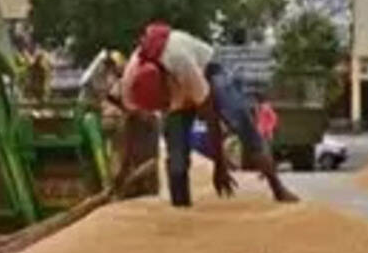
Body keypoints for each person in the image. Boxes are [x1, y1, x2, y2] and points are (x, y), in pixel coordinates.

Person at [116, 22, 298, 206]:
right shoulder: (129, 85)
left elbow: (211, 118)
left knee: (238, 119)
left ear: (167, 79)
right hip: (182, 95)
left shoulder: (180, 61)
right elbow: (130, 125)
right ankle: (181, 209)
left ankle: (277, 187)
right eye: (159, 108)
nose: (164, 108)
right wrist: (123, 169)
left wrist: (220, 166)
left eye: (164, 102)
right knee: (176, 161)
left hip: (207, 71)